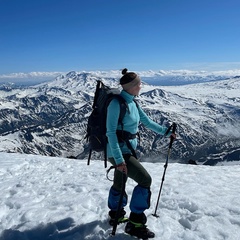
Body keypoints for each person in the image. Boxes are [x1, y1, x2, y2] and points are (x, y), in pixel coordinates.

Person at [106, 68, 176, 239]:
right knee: (145, 180)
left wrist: (166, 132)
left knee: (119, 181)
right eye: (139, 83)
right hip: (119, 153)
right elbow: (111, 133)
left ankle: (115, 214)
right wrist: (119, 159)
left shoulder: (133, 103)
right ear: (131, 86)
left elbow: (147, 122)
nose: (141, 86)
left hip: (125, 151)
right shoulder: (116, 104)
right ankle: (135, 223)